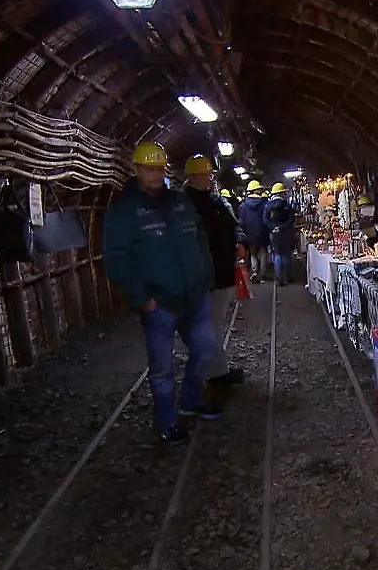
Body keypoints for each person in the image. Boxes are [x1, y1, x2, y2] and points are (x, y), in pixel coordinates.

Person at [103, 142, 220, 446]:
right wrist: (141, 298)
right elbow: (117, 258)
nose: (155, 174)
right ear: (137, 170)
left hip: (194, 295)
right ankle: (168, 422)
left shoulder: (180, 202)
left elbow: (200, 239)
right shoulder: (125, 211)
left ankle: (190, 399)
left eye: (159, 168)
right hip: (159, 302)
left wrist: (205, 276)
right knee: (162, 368)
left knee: (206, 347)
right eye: (148, 168)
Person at [182, 154, 246, 386]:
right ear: (192, 177)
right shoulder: (183, 206)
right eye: (205, 175)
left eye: (209, 174)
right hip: (201, 275)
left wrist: (239, 241)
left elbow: (234, 225)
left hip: (222, 271)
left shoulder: (216, 201)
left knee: (215, 323)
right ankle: (215, 373)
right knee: (209, 325)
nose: (209, 178)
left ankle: (217, 370)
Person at [263, 182, 298, 286]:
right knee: (287, 254)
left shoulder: (268, 206)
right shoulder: (286, 205)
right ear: (282, 193)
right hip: (286, 232)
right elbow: (291, 219)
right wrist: (282, 227)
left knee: (277, 254)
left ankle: (279, 279)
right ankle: (288, 277)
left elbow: (265, 220)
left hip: (274, 234)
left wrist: (273, 227)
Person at [238, 180, 270, 283]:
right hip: (263, 232)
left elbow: (241, 221)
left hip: (250, 233)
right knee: (263, 252)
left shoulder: (243, 206)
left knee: (253, 253)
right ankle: (263, 274)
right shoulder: (264, 204)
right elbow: (267, 218)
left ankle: (255, 271)